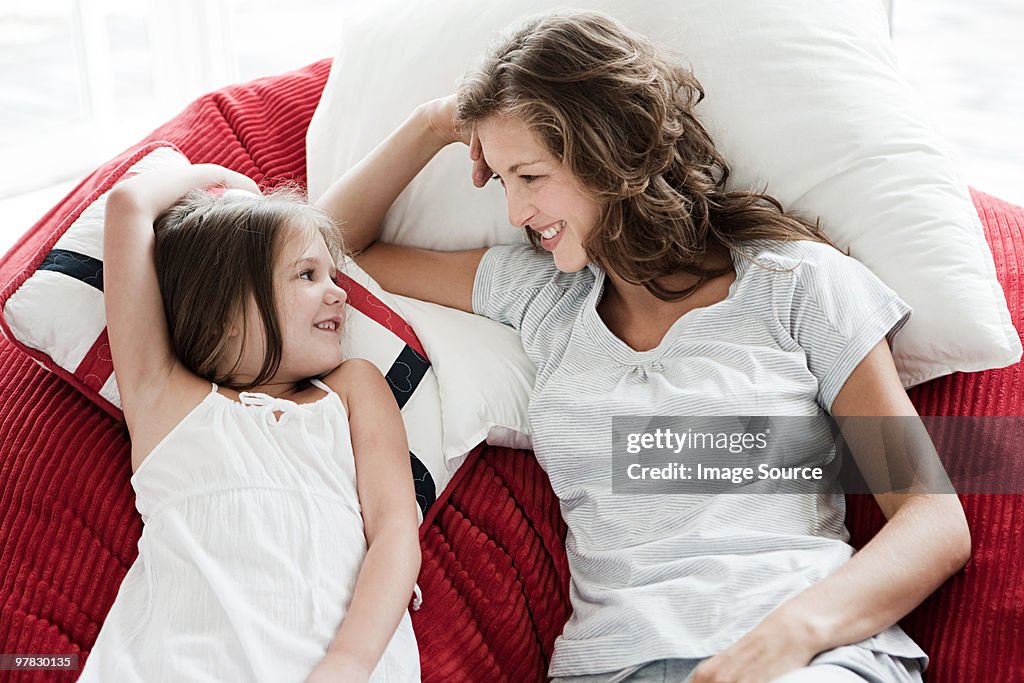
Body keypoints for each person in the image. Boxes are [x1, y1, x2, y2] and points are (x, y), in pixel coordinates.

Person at [316, 10, 971, 683]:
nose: (514, 212)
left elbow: (933, 518)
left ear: (607, 154)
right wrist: (433, 124)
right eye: (503, 180)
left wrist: (791, 633)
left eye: (531, 177)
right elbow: (328, 247)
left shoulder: (796, 283)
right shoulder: (542, 296)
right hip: (609, 667)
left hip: (799, 654)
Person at [79, 165, 421, 682]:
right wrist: (219, 177)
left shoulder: (352, 391)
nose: (339, 293)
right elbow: (128, 206)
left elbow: (397, 532)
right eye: (307, 275)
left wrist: (347, 663)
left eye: (333, 275)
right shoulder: (166, 401)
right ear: (226, 310)